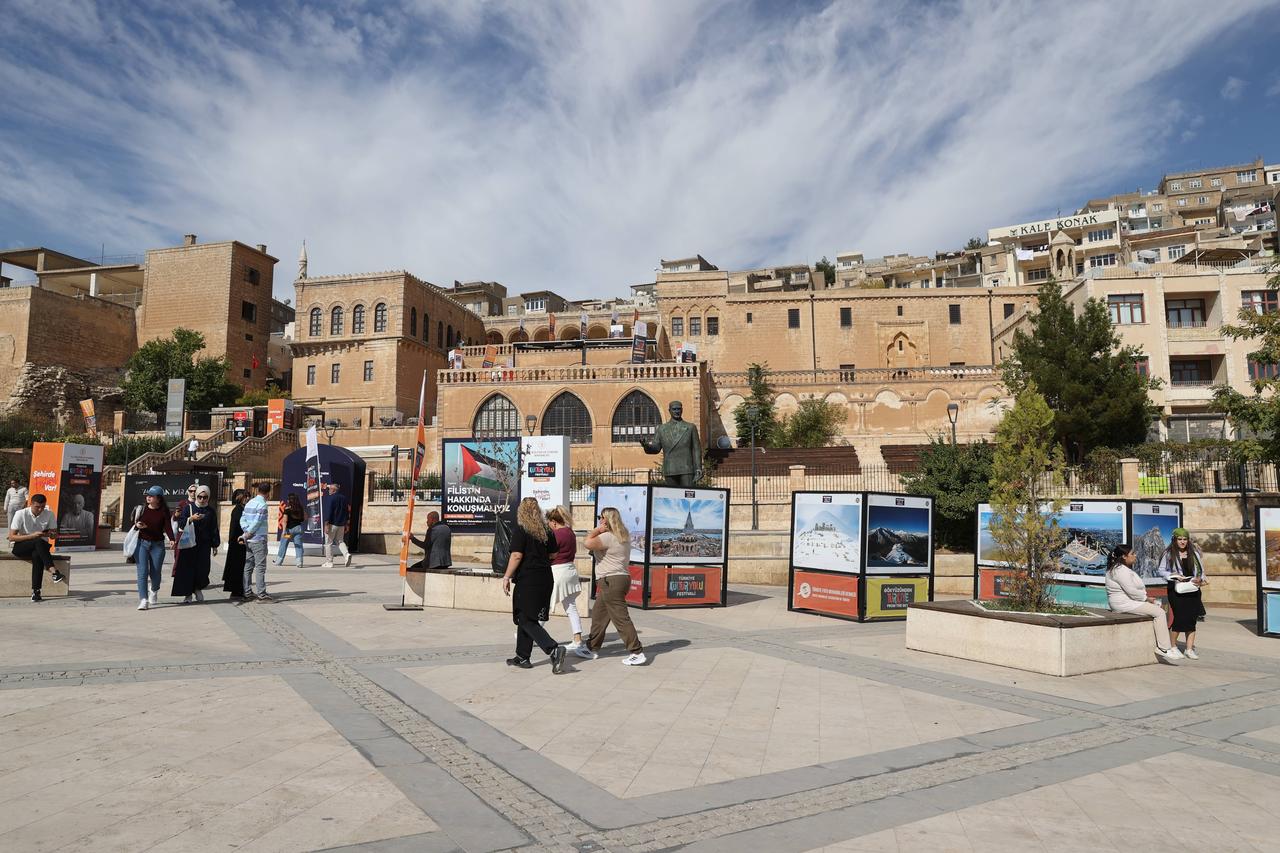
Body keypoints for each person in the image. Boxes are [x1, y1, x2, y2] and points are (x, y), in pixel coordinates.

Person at [501, 497, 567, 673]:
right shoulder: (546, 531)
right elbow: (553, 554)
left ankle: (553, 648)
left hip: (528, 579)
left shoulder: (522, 530)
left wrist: (506, 576)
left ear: (521, 511)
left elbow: (516, 555)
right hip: (545, 578)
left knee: (525, 618)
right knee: (527, 616)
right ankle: (522, 656)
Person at [582, 507, 645, 665]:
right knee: (599, 614)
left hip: (611, 581)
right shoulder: (623, 536)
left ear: (607, 520)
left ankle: (636, 652)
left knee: (620, 618)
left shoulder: (608, 537)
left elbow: (587, 543)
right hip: (620, 578)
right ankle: (592, 648)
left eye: (601, 517)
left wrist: (597, 530)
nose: (599, 520)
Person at [1106, 543, 1182, 662]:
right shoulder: (1120, 571)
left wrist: (1146, 598)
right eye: (1132, 554)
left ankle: (1164, 645)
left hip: (1127, 602)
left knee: (1157, 607)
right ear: (1124, 556)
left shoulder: (1120, 569)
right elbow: (1131, 590)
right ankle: (1164, 647)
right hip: (1124, 604)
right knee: (1160, 612)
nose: (1135, 556)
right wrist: (1146, 598)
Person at [1158, 527, 1208, 660]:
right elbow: (1161, 570)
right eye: (1179, 539)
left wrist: (1200, 579)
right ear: (1174, 540)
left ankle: (1189, 649)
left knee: (1192, 619)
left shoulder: (1194, 553)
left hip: (1193, 588)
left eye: (1185, 539)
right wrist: (1173, 575)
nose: (1182, 542)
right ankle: (1172, 646)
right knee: (1180, 618)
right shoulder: (1168, 553)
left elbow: (1202, 571)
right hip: (1176, 589)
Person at [8, 493, 63, 602]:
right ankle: (54, 571)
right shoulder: (20, 514)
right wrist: (32, 536)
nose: (40, 509)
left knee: (37, 555)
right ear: (31, 504)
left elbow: (54, 534)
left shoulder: (49, 514)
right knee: (37, 541)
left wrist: (51, 534)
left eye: (42, 507)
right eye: (37, 507)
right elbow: (11, 537)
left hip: (40, 547)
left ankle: (36, 592)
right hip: (21, 547)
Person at [172, 485, 220, 603]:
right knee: (188, 569)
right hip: (189, 544)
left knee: (202, 569)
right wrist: (191, 519)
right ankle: (188, 594)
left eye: (205, 497)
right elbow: (181, 523)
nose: (202, 500)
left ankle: (198, 588)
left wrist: (215, 545)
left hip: (204, 544)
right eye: (199, 497)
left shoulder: (211, 511)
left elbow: (214, 528)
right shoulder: (189, 508)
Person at [546, 506, 584, 651]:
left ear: (554, 522)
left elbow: (551, 554)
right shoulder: (570, 533)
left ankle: (529, 635)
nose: (549, 526)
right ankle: (577, 639)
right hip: (570, 570)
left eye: (549, 523)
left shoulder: (556, 535)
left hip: (557, 571)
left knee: (546, 605)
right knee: (571, 607)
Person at [641, 401, 703, 486]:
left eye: (679, 409)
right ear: (669, 410)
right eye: (674, 409)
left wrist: (698, 468)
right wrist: (647, 446)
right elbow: (656, 448)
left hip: (686, 468)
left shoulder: (690, 427)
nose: (677, 411)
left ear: (682, 410)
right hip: (670, 468)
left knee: (688, 495)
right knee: (672, 497)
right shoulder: (662, 429)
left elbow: (696, 449)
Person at [133, 486, 176, 610]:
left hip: (157, 545)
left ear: (158, 498)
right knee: (142, 572)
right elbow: (135, 524)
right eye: (147, 495)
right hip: (142, 543)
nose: (148, 497)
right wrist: (138, 525)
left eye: (151, 496)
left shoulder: (164, 511)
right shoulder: (142, 509)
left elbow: (168, 526)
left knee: (155, 573)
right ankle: (143, 600)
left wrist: (172, 539)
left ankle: (154, 589)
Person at [239, 483, 272, 602]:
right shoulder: (262, 505)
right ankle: (261, 594)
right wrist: (248, 533)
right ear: (268, 492)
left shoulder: (250, 502)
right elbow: (258, 522)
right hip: (258, 539)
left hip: (249, 540)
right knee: (260, 567)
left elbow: (242, 518)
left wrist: (246, 531)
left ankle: (247, 591)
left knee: (248, 566)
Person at [221, 489, 249, 599]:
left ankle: (238, 589)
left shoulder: (242, 509)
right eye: (245, 496)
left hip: (239, 541)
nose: (247, 498)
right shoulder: (238, 510)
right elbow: (236, 527)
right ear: (240, 497)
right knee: (237, 566)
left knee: (238, 566)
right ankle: (237, 591)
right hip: (237, 542)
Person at [321, 481, 352, 567]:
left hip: (332, 524)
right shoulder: (344, 498)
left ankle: (329, 562)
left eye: (330, 489)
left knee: (328, 543)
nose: (329, 491)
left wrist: (326, 524)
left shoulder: (331, 498)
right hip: (341, 524)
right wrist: (346, 523)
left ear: (333, 490)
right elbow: (347, 512)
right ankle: (346, 554)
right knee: (340, 541)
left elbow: (328, 512)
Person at [274, 492, 307, 567]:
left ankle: (278, 561)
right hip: (298, 529)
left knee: (283, 544)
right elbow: (305, 517)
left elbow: (284, 521)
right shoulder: (300, 508)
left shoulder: (287, 509)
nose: (287, 500)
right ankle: (299, 562)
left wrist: (284, 531)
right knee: (298, 545)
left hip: (289, 531)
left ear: (290, 501)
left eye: (288, 499)